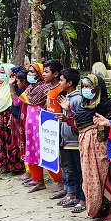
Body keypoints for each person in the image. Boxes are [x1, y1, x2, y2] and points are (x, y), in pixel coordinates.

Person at [74, 74, 111, 221]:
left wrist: (100, 126)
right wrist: (68, 112)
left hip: (100, 146)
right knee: (90, 176)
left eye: (89, 87)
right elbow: (77, 127)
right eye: (84, 87)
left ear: (98, 89)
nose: (86, 90)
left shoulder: (106, 106)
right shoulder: (81, 106)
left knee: (104, 176)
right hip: (85, 147)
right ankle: (100, 207)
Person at [20, 62, 53, 192]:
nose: (29, 74)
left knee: (45, 151)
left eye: (32, 72)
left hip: (41, 123)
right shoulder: (29, 89)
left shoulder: (46, 88)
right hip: (29, 125)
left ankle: (59, 180)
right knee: (32, 151)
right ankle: (38, 180)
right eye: (28, 72)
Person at [56, 68, 84, 211]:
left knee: (80, 172)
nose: (60, 83)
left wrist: (67, 113)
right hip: (67, 141)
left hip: (76, 142)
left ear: (70, 82)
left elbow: (79, 120)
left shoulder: (77, 99)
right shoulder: (66, 97)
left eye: (61, 80)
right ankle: (76, 196)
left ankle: (82, 199)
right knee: (72, 170)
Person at [0, 64, 24, 174]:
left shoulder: (16, 87)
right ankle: (3, 165)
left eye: (3, 72)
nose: (0, 75)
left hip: (9, 115)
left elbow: (15, 102)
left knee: (11, 140)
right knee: (1, 140)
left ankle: (15, 166)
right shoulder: (2, 86)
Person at [43, 59, 67, 197]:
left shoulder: (60, 90)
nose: (44, 75)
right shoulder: (50, 90)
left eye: (47, 72)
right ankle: (59, 180)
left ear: (56, 73)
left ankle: (63, 182)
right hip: (50, 128)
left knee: (62, 157)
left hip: (59, 127)